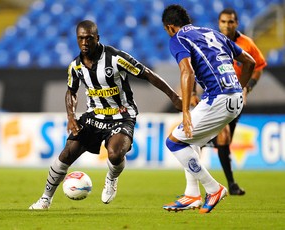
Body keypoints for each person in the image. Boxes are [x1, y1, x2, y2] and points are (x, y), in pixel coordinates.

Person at [29, 20, 182, 210]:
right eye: (81, 38)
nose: (85, 42)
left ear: (97, 38)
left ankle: (111, 177)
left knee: (115, 154)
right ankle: (45, 199)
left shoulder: (116, 58)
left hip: (121, 116)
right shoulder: (75, 66)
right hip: (93, 117)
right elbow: (72, 91)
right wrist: (71, 116)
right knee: (66, 154)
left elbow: (147, 73)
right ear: (77, 40)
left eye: (89, 38)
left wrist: (174, 96)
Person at [161, 5, 255, 213]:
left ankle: (213, 189)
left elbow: (187, 72)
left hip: (218, 98)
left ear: (169, 27)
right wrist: (239, 89)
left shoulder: (178, 39)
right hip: (234, 99)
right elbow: (250, 62)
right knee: (190, 139)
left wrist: (185, 111)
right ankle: (192, 194)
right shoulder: (212, 32)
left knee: (174, 143)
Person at [191, 8, 267, 195]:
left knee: (223, 142)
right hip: (214, 96)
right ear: (219, 23)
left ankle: (216, 181)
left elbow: (258, 66)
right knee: (217, 137)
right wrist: (193, 91)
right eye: (224, 22)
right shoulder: (211, 40)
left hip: (235, 98)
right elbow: (194, 66)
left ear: (236, 23)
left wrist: (245, 88)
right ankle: (213, 186)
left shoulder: (247, 44)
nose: (227, 25)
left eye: (230, 22)